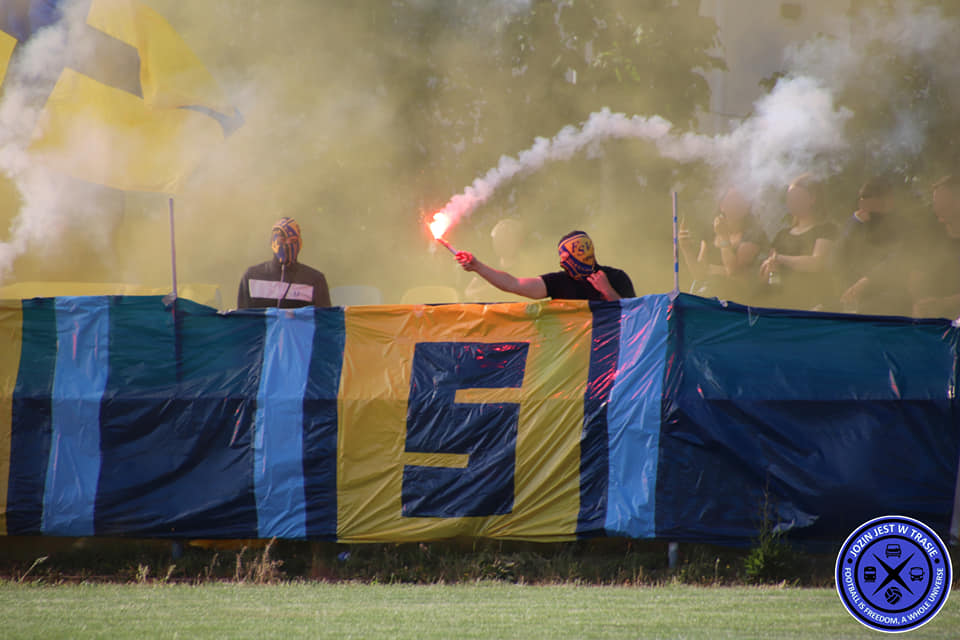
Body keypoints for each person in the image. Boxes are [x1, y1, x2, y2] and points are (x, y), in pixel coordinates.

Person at [455, 230, 634, 301]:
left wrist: (608, 291)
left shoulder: (617, 277)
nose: (562, 262)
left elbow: (635, 319)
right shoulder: (558, 282)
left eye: (566, 257)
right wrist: (477, 266)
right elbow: (513, 284)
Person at [759, 174, 838, 310]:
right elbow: (766, 278)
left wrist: (781, 259)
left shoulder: (826, 229)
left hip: (814, 303)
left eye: (796, 197)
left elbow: (816, 263)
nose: (791, 202)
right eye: (789, 198)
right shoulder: (782, 235)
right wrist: (770, 269)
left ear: (812, 199)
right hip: (783, 304)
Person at [678, 187, 768, 304]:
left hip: (736, 300)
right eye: (730, 200)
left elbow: (732, 271)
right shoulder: (711, 233)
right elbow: (699, 274)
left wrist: (723, 237)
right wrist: (686, 249)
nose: (734, 204)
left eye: (738, 201)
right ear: (722, 206)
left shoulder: (753, 235)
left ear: (747, 207)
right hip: (708, 294)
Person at [835, 177, 909, 314]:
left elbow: (897, 258)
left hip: (889, 296)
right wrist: (856, 222)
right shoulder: (857, 223)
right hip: (855, 294)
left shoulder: (902, 225)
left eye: (871, 199)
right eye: (863, 199)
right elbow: (839, 255)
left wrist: (867, 280)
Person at [237, 217, 332, 309]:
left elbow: (324, 317)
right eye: (282, 240)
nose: (287, 244)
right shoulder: (252, 276)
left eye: (293, 240)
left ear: (300, 243)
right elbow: (242, 317)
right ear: (272, 242)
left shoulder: (315, 280)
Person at [911, 175, 960, 319]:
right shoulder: (931, 236)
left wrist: (945, 303)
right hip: (932, 314)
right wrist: (920, 302)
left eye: (942, 202)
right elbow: (916, 274)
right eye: (935, 202)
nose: (936, 208)